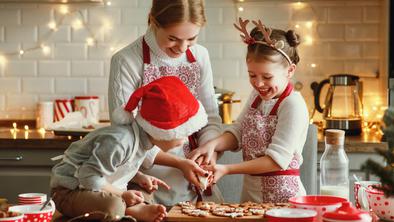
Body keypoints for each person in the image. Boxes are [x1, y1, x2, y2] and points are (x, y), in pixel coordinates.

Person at [108, 0, 223, 206]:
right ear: (153, 21)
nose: (182, 47)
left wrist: (209, 152)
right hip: (145, 181)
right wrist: (179, 163)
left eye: (191, 38)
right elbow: (125, 136)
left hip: (194, 179)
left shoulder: (200, 56)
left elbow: (211, 118)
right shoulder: (126, 60)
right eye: (173, 38)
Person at [50, 76, 209, 222]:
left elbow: (119, 166)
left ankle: (133, 208)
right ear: (162, 132)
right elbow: (89, 178)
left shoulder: (144, 140)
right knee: (113, 206)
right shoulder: (120, 141)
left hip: (98, 186)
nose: (185, 139)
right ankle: (130, 210)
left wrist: (138, 177)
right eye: (183, 133)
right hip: (70, 190)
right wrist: (122, 194)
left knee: (144, 191)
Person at [189, 18, 309, 203]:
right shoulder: (257, 96)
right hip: (251, 197)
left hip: (284, 200)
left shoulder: (293, 105)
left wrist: (227, 169)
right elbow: (238, 132)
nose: (259, 83)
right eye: (252, 75)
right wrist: (211, 145)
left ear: (290, 70)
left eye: (267, 77)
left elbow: (276, 161)